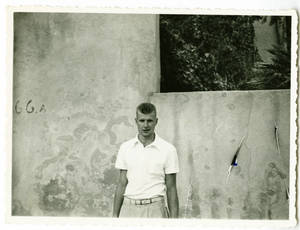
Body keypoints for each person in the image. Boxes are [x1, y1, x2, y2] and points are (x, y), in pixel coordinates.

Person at [113, 102, 179, 218]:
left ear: (156, 121)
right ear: (136, 121)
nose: (145, 125)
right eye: (142, 120)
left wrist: (174, 222)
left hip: (155, 210)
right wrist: (115, 216)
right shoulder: (125, 147)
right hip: (128, 209)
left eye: (149, 120)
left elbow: (171, 187)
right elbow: (122, 183)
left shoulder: (168, 149)